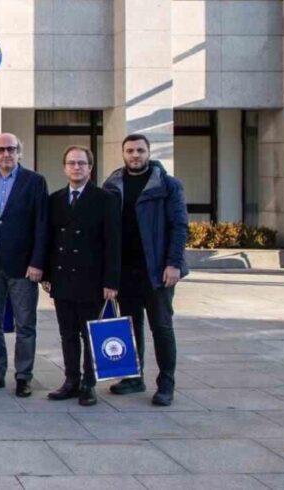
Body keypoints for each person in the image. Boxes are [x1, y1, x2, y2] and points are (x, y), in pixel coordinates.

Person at [103, 134, 188, 407]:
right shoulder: (112, 185)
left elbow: (179, 226)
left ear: (148, 153)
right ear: (123, 153)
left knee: (161, 327)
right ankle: (133, 377)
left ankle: (166, 384)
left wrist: (173, 263)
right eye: (130, 151)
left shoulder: (167, 185)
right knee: (130, 326)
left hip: (157, 271)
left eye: (140, 150)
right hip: (125, 271)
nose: (135, 155)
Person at [42, 145, 120, 407]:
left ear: (90, 168)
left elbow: (113, 243)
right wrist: (47, 273)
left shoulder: (105, 199)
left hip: (92, 279)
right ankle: (71, 380)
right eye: (71, 163)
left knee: (90, 333)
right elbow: (49, 239)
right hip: (62, 277)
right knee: (67, 333)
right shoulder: (55, 199)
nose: (76, 167)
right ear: (64, 168)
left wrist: (111, 281)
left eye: (81, 163)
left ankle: (89, 383)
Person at [0, 133, 49, 397]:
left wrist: (38, 262)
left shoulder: (35, 181)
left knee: (25, 324)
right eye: (1, 149)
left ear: (19, 151)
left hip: (24, 266)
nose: (6, 154)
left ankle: (23, 376)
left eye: (11, 149)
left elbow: (42, 225)